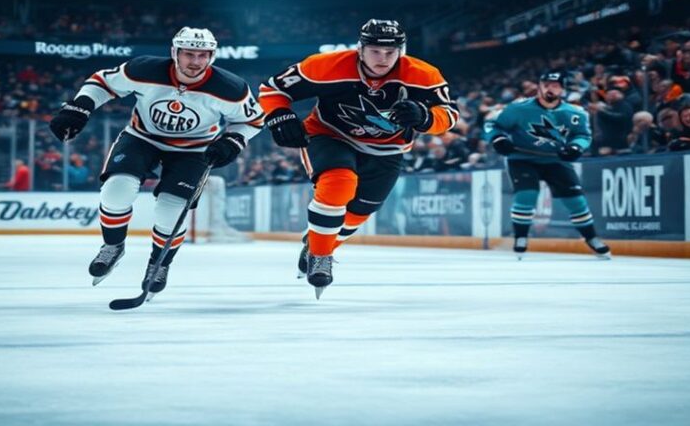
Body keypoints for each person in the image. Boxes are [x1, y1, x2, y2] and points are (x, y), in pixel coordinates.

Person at [49, 27, 263, 297]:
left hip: (194, 150)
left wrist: (233, 141)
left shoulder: (231, 88)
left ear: (212, 56)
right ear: (174, 52)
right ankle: (113, 246)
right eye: (188, 54)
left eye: (203, 55)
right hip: (142, 138)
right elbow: (103, 82)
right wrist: (81, 106)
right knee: (116, 191)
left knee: (171, 210)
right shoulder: (144, 69)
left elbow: (253, 120)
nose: (195, 61)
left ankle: (158, 264)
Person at [258, 19, 459, 297]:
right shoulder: (325, 65)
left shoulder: (423, 74)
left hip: (389, 148)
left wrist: (426, 117)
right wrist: (279, 115)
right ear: (360, 49)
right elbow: (272, 89)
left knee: (360, 212)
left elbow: (449, 114)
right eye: (375, 51)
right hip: (330, 134)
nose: (383, 59)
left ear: (402, 50)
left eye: (391, 52)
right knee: (339, 184)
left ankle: (319, 244)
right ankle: (320, 256)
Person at [484, 71, 611, 259]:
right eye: (546, 84)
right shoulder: (518, 108)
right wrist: (498, 139)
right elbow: (493, 124)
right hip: (522, 158)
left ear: (562, 89)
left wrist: (576, 147)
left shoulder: (575, 113)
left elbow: (583, 135)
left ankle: (591, 238)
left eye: (555, 85)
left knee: (576, 200)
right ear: (539, 86)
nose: (550, 88)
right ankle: (520, 237)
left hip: (556, 159)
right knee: (527, 195)